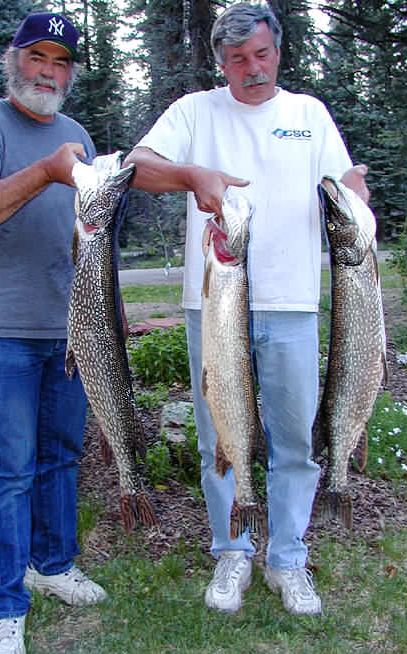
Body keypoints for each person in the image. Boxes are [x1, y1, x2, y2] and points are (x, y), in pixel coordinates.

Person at [123, 3, 369, 616]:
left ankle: (287, 556)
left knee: (294, 439)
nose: (251, 69)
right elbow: (138, 168)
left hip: (292, 305)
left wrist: (356, 193)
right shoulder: (193, 113)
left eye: (261, 55)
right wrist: (191, 174)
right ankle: (232, 549)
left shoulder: (308, 115)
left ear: (278, 53)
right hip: (215, 307)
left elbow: (343, 190)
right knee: (219, 440)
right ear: (221, 63)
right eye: (237, 59)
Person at [0, 12, 106, 654]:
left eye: (61, 61)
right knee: (9, 468)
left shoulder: (77, 135)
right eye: (37, 55)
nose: (48, 70)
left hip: (69, 326)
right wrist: (44, 172)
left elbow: (89, 230)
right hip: (4, 328)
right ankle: (5, 608)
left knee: (62, 453)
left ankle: (52, 562)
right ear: (14, 60)